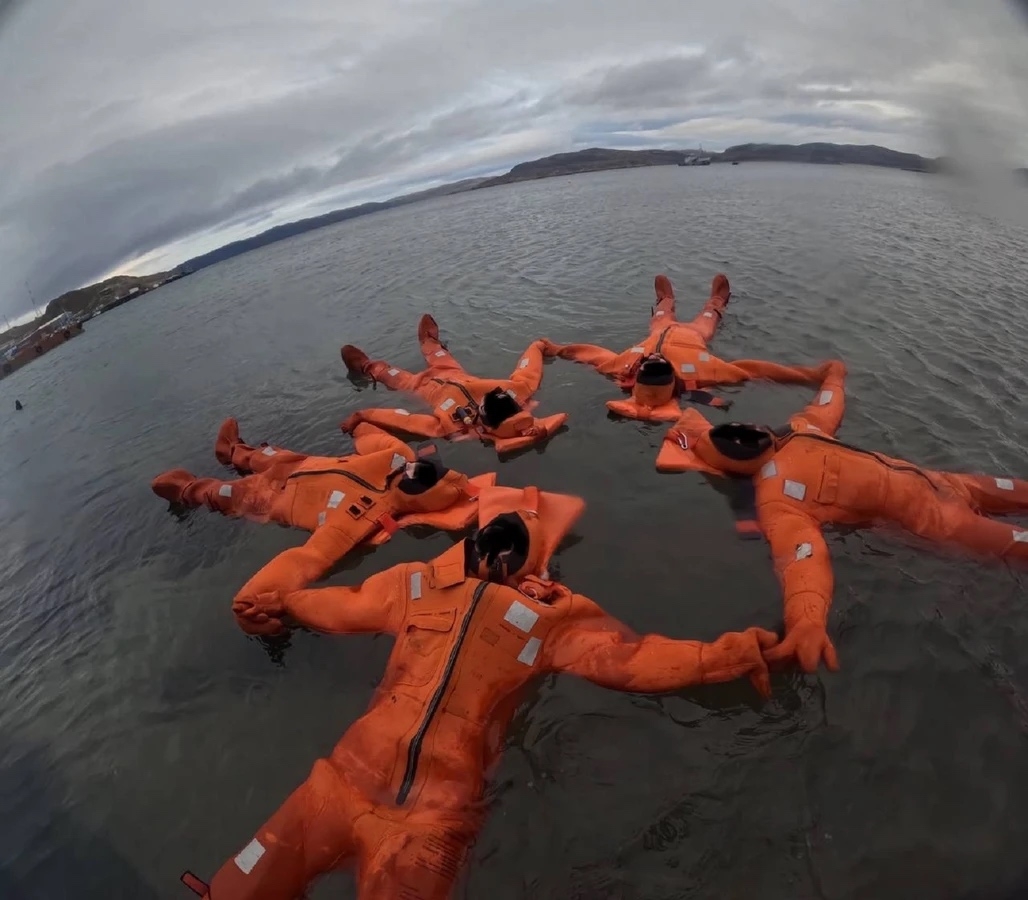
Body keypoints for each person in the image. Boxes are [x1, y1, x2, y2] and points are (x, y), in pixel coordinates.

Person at [179, 486, 779, 900]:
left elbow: (633, 660)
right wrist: (280, 605)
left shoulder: (552, 621)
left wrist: (728, 655)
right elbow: (341, 605)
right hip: (336, 786)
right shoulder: (414, 585)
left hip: (432, 822)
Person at [656, 360, 1028, 673]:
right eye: (736, 441)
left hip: (947, 482)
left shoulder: (800, 429)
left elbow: (828, 403)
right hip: (937, 522)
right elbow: (801, 555)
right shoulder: (778, 496)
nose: (746, 433)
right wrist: (807, 620)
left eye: (739, 429)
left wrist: (832, 376)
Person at [152, 418, 494, 620]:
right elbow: (376, 440)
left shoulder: (363, 517)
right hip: (303, 464)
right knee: (270, 457)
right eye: (428, 467)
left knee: (232, 494)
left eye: (423, 475)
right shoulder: (397, 458)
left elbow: (309, 557)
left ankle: (189, 490)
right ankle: (234, 451)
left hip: (278, 498)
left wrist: (255, 597)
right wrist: (361, 425)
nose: (414, 467)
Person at [540, 273, 832, 420]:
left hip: (661, 330)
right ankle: (717, 301)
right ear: (673, 379)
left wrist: (557, 349)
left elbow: (591, 354)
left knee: (660, 317)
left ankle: (666, 299)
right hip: (693, 336)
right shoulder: (705, 372)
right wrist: (808, 375)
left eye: (647, 367)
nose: (653, 360)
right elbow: (751, 370)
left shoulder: (623, 366)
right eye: (658, 367)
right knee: (708, 318)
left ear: (636, 377)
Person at [340, 314, 567, 454]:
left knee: (392, 376)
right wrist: (539, 346)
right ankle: (429, 342)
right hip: (453, 373)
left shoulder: (454, 426)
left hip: (424, 388)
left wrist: (363, 414)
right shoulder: (518, 391)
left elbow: (407, 421)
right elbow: (528, 369)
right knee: (437, 353)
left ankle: (368, 366)